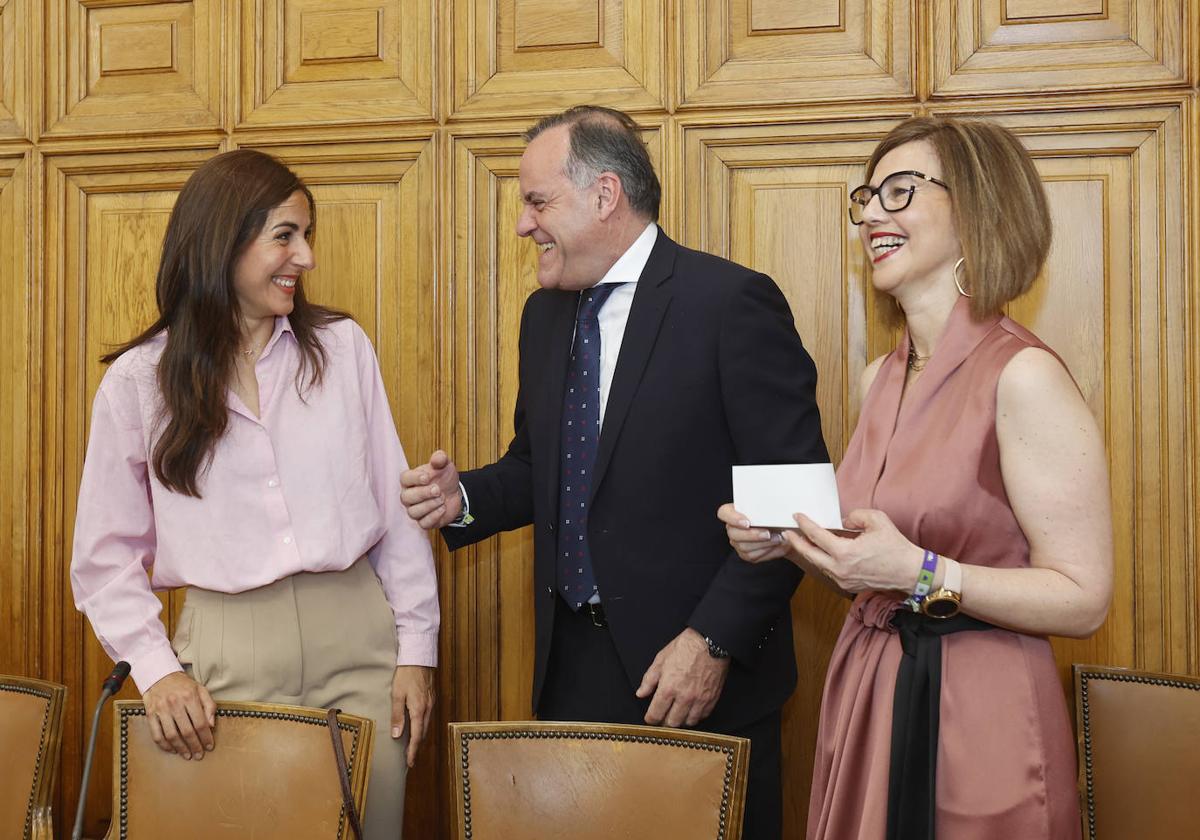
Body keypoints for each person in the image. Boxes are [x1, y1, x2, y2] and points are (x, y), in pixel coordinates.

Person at [399, 105, 827, 840]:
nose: (523, 225)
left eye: (537, 202)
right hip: (572, 668)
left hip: (696, 676)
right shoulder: (545, 315)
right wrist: (461, 497)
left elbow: (792, 508)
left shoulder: (729, 303)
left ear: (604, 196)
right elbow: (542, 468)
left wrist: (711, 643)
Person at [721, 115, 1113, 839]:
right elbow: (869, 563)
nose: (870, 213)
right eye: (867, 196)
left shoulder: (1021, 375)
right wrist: (791, 545)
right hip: (871, 688)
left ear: (976, 209)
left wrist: (923, 571)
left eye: (899, 192)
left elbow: (1084, 600)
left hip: (979, 706)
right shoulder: (880, 377)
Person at [70, 149, 439, 839]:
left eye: (307, 235)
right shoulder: (137, 382)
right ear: (224, 241)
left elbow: (394, 513)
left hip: (359, 642)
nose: (306, 257)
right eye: (285, 235)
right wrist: (156, 672)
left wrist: (416, 650)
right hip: (224, 655)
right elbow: (104, 556)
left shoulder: (343, 348)